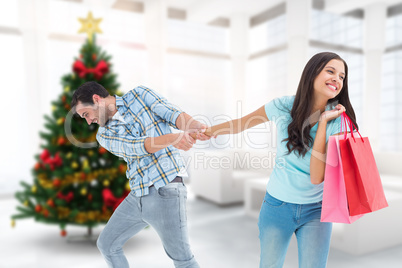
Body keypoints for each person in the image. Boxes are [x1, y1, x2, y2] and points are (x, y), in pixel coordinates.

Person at [202, 52, 358, 268]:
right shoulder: (284, 106)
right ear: (312, 73)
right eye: (330, 71)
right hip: (277, 206)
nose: (337, 79)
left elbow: (316, 177)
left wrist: (323, 123)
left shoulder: (339, 120)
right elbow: (242, 123)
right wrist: (208, 131)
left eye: (342, 76)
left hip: (316, 210)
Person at [71, 82, 209, 268]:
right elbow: (136, 146)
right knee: (107, 244)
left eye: (86, 114)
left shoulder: (140, 95)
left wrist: (194, 126)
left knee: (183, 259)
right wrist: (173, 139)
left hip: (166, 189)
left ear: (96, 99)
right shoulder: (104, 134)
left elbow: (172, 114)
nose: (88, 121)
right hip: (137, 196)